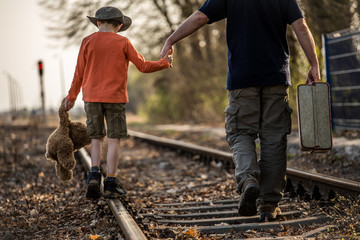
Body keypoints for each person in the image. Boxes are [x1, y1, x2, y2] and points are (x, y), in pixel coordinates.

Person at [161, 0, 320, 220]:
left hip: (242, 79)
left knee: (240, 133)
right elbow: (300, 26)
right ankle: (268, 205)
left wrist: (171, 39)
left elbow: (200, 17)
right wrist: (314, 64)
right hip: (276, 77)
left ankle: (248, 180)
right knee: (273, 139)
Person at [64, 6, 173, 199]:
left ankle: (94, 176)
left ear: (98, 23)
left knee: (96, 138)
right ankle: (111, 183)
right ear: (119, 25)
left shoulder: (87, 42)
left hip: (92, 98)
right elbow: (143, 66)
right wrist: (164, 62)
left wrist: (71, 97)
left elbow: (78, 73)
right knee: (114, 139)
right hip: (115, 98)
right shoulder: (124, 42)